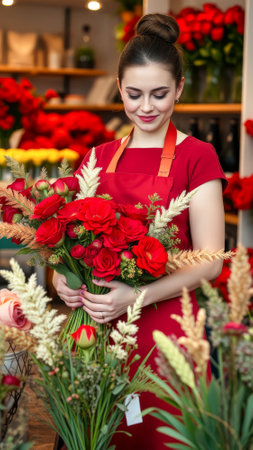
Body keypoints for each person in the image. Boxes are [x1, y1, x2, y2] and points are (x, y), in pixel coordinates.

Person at [53, 13, 227, 449]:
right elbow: (65, 246)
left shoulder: (197, 157)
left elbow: (208, 262)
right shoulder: (97, 157)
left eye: (159, 94)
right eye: (133, 94)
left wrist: (133, 298)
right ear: (118, 85)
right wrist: (62, 281)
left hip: (167, 331)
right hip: (95, 333)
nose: (146, 107)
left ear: (180, 88)